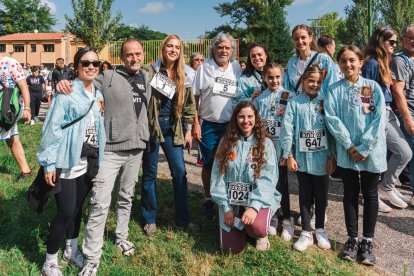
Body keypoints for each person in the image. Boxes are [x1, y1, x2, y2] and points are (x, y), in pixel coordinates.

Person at [56, 38, 151, 276]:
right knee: (100, 201)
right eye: (129, 54)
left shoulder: (147, 77)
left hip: (137, 147)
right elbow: (82, 81)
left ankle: (121, 237)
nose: (134, 58)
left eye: (138, 54)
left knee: (126, 196)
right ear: (121, 57)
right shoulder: (107, 76)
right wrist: (63, 82)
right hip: (110, 148)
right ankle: (91, 256)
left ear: (143, 55)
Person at [38, 47, 105, 276]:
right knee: (65, 211)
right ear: (76, 67)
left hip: (87, 162)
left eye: (95, 63)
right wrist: (48, 163)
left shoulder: (98, 94)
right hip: (67, 161)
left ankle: (71, 249)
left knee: (77, 210)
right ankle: (50, 261)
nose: (90, 67)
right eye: (85, 63)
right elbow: (51, 129)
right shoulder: (66, 92)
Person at [325, 46, 386, 265]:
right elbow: (331, 119)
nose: (348, 64)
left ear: (361, 62)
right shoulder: (333, 90)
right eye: (343, 61)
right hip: (347, 150)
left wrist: (364, 147)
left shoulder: (373, 87)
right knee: (350, 193)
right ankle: (352, 239)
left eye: (352, 60)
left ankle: (367, 241)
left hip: (371, 151)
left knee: (370, 194)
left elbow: (379, 119)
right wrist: (350, 146)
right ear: (338, 64)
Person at [141, 34, 197, 235]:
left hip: (174, 128)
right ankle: (149, 218)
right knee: (150, 173)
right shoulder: (150, 70)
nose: (173, 50)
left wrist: (189, 130)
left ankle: (182, 219)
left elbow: (190, 105)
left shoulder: (186, 74)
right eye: (170, 46)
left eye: (177, 47)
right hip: (152, 127)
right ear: (163, 48)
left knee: (180, 172)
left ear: (180, 51)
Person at [210, 101, 280, 254]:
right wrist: (226, 208)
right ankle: (239, 225)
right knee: (230, 250)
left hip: (257, 200)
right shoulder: (226, 142)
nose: (246, 121)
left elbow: (268, 179)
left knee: (257, 228)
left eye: (250, 116)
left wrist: (254, 207)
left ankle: (258, 233)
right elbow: (217, 176)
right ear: (235, 119)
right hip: (231, 202)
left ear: (256, 118)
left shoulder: (265, 144)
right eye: (241, 117)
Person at [281, 64, 336, 251]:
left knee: (321, 195)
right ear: (303, 82)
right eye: (310, 81)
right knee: (305, 195)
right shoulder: (294, 103)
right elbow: (287, 131)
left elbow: (331, 131)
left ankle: (320, 228)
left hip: (322, 158)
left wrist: (332, 156)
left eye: (318, 82)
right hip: (302, 159)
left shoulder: (326, 101)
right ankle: (306, 231)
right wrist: (288, 154)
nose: (314, 84)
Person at [192, 32, 242, 219]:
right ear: (213, 48)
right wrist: (196, 123)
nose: (223, 51)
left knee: (231, 162)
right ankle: (208, 199)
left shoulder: (236, 68)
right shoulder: (204, 69)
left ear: (232, 51)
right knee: (209, 163)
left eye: (227, 48)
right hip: (209, 124)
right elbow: (195, 97)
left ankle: (227, 199)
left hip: (231, 125)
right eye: (220, 47)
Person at [363, 27, 412, 212]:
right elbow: (365, 94)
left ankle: (386, 187)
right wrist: (371, 119)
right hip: (378, 114)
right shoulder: (372, 64)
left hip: (388, 112)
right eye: (391, 41)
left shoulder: (383, 62)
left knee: (402, 153)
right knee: (386, 155)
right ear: (380, 41)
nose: (394, 45)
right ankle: (377, 192)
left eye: (395, 42)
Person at [252, 62, 295, 240]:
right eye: (270, 77)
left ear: (282, 76)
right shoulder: (259, 99)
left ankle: (287, 218)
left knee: (282, 184)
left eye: (277, 77)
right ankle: (274, 216)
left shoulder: (289, 96)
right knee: (268, 182)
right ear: (264, 78)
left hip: (282, 148)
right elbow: (255, 124)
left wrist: (287, 152)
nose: (274, 80)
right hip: (266, 149)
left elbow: (291, 125)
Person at [390, 24, 414, 206]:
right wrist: (407, 119)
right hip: (407, 112)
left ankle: (388, 186)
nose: (413, 42)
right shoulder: (400, 60)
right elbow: (397, 90)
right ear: (403, 39)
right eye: (410, 37)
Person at [0, 53, 32, 181]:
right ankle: (26, 171)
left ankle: (26, 171)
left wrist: (27, 108)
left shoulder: (10, 63)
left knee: (11, 137)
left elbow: (24, 87)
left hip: (9, 108)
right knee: (12, 138)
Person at [283, 24, 338, 96]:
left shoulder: (323, 60)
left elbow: (332, 86)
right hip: (297, 104)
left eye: (303, 37)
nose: (300, 41)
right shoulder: (291, 63)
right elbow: (288, 88)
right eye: (296, 39)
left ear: (310, 38)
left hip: (318, 104)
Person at [187, 52, 205, 167]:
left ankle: (200, 156)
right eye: (197, 60)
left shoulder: (205, 73)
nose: (199, 62)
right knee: (189, 129)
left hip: (202, 107)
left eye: (202, 60)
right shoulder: (188, 73)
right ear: (192, 62)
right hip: (189, 107)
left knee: (200, 132)